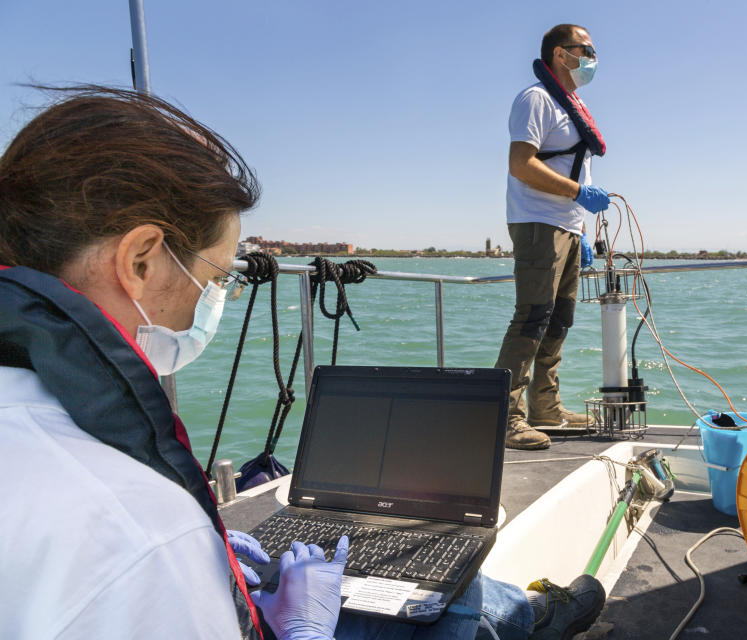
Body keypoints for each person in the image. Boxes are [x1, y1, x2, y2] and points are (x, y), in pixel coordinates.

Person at [0, 87, 605, 640]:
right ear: (140, 262)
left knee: (418, 584)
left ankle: (526, 612)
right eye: (217, 277)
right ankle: (532, 616)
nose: (215, 300)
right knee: (447, 593)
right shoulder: (144, 535)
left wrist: (216, 559)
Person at [495, 24, 610, 450]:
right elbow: (521, 164)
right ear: (561, 55)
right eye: (587, 50)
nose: (593, 58)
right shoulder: (536, 99)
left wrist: (582, 229)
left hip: (567, 226)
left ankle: (546, 407)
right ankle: (506, 417)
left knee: (559, 320)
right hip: (539, 222)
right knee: (532, 316)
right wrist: (579, 193)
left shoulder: (570, 105)